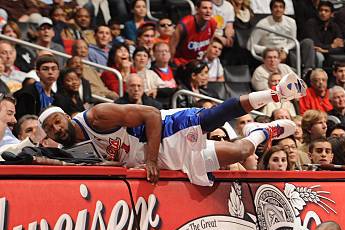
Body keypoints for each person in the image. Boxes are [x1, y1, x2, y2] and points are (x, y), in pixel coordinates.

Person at [40, 72, 307, 185]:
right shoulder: (72, 151)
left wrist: (152, 160)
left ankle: (274, 93)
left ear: (65, 116)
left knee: (212, 118)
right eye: (51, 129)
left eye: (57, 121)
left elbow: (152, 114)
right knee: (241, 152)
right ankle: (264, 130)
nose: (57, 128)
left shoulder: (97, 116)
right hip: (163, 162)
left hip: (163, 135)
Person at [248, 0, 316, 71]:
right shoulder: (262, 24)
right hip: (270, 51)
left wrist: (285, 50)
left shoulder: (291, 22)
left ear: (284, 10)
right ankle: (295, 75)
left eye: (281, 7)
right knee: (292, 57)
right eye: (275, 7)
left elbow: (292, 41)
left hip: (285, 49)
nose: (278, 10)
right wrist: (268, 50)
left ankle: (308, 71)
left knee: (308, 42)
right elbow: (250, 45)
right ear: (271, 10)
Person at [171, 0, 218, 65]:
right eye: (205, 8)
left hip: (198, 63)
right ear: (197, 9)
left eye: (210, 8)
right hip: (181, 63)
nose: (208, 11)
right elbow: (172, 47)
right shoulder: (184, 25)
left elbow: (210, 43)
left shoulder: (213, 23)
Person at [303, 1, 343, 67]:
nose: (323, 13)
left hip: (327, 52)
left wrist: (325, 50)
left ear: (332, 14)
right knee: (320, 57)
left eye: (326, 11)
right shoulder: (311, 23)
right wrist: (331, 46)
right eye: (321, 10)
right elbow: (315, 44)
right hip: (312, 53)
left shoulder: (335, 26)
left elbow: (340, 46)